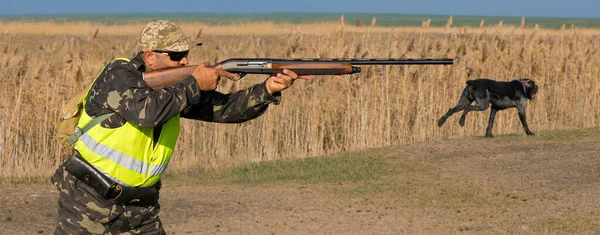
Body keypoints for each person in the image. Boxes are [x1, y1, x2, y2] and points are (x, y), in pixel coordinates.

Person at [51, 20, 310, 234]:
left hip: (142, 208)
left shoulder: (174, 90)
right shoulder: (118, 74)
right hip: (89, 203)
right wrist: (195, 84)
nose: (185, 60)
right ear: (150, 57)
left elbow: (227, 110)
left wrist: (268, 90)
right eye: (176, 55)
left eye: (186, 53)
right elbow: (148, 112)